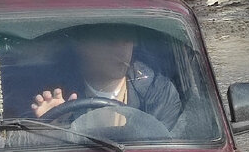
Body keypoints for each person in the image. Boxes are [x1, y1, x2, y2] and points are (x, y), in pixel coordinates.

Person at [30, 27, 182, 130]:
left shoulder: (158, 91)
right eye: (110, 41)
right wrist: (52, 127)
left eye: (127, 40)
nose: (122, 50)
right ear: (81, 46)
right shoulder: (54, 91)